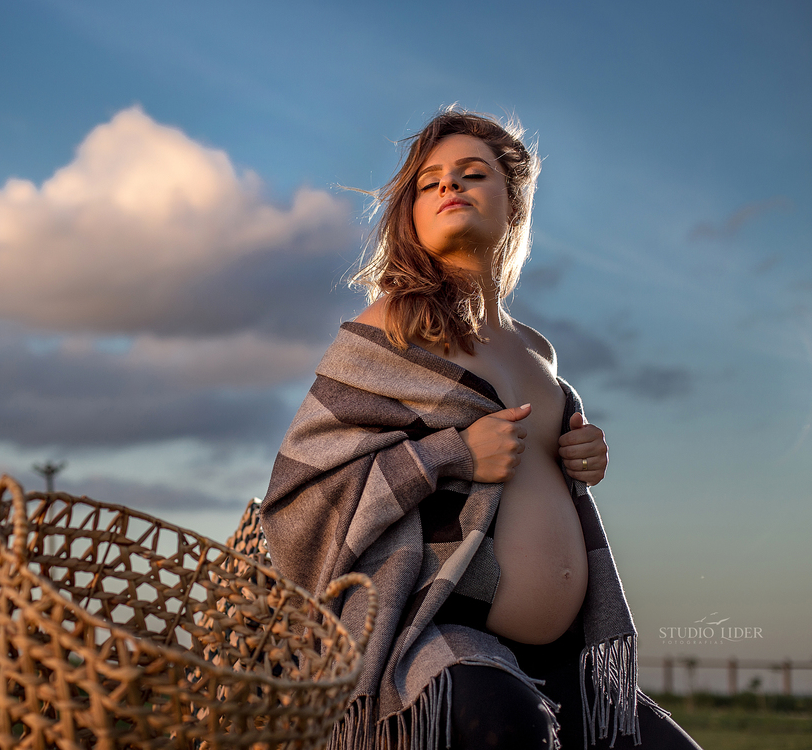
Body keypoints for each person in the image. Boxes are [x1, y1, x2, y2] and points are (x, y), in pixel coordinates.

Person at [260, 109, 700, 749]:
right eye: (429, 181)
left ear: (513, 202)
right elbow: (302, 483)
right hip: (440, 629)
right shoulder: (393, 325)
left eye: (473, 174)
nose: (449, 187)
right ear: (410, 212)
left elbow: (541, 478)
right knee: (506, 726)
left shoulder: (536, 350)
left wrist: (580, 454)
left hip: (562, 654)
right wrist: (453, 453)